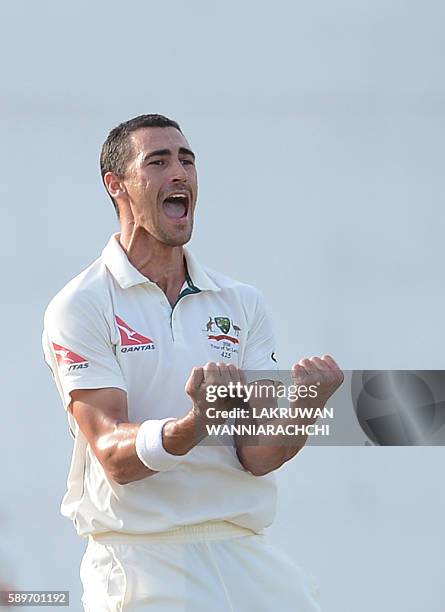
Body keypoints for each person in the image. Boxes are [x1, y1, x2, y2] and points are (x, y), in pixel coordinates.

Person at [42, 114, 343, 611]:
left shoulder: (241, 302)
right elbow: (114, 456)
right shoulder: (81, 304)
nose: (179, 173)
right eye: (157, 162)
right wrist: (194, 424)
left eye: (186, 160)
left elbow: (258, 453)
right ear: (115, 185)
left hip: (244, 553)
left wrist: (307, 406)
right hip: (142, 559)